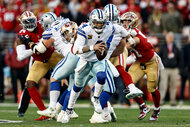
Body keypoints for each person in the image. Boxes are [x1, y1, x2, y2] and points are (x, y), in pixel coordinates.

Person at [61, 8, 138, 124]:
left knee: (102, 76)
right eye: (96, 22)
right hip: (85, 60)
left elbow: (121, 29)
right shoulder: (85, 29)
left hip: (98, 60)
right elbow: (75, 49)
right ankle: (68, 110)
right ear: (91, 21)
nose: (98, 25)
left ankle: (96, 98)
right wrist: (93, 48)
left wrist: (129, 38)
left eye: (101, 23)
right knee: (77, 87)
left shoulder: (109, 27)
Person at [16, 11, 63, 121]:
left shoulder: (43, 26)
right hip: (39, 61)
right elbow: (20, 56)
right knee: (29, 84)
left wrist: (35, 47)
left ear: (36, 20)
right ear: (22, 23)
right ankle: (45, 113)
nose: (30, 23)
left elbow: (48, 44)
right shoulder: (21, 35)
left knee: (70, 76)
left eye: (32, 20)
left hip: (53, 55)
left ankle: (66, 109)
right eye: (27, 22)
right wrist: (34, 49)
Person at [120, 11, 163, 121]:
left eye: (127, 21)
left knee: (152, 88)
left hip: (151, 62)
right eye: (123, 21)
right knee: (129, 84)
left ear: (133, 23)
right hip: (139, 62)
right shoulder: (128, 32)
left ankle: (157, 109)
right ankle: (143, 106)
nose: (124, 24)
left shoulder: (136, 36)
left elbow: (127, 46)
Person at [158, 32, 182, 106]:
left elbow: (179, 58)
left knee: (174, 85)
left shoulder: (175, 47)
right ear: (166, 38)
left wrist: (178, 67)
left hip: (174, 69)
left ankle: (173, 100)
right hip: (165, 69)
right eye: (169, 37)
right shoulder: (162, 47)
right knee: (163, 85)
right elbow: (159, 57)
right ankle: (161, 100)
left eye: (171, 37)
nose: (170, 39)